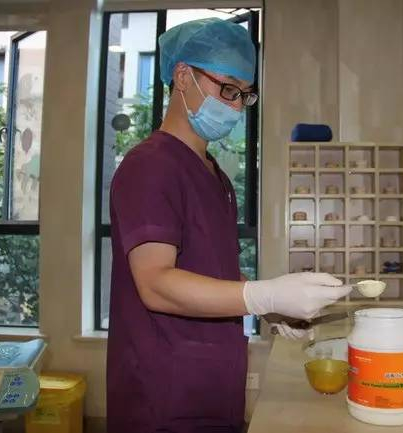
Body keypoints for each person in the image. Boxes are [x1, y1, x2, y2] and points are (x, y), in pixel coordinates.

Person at [106, 18, 351, 433]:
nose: (236, 108)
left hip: (212, 385)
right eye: (228, 90)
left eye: (245, 95)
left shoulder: (213, 174)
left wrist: (272, 308)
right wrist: (261, 295)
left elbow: (212, 271)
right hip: (163, 394)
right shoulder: (150, 167)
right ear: (183, 76)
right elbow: (155, 283)